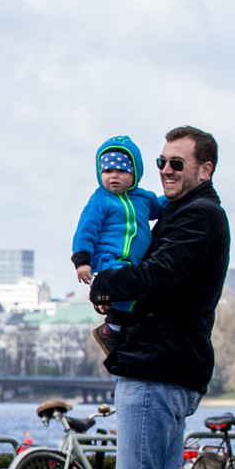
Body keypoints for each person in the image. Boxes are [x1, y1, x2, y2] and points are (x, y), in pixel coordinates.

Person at [90, 125, 230, 469]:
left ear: (204, 168)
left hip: (158, 365)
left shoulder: (200, 216)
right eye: (163, 162)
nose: (166, 171)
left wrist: (105, 283)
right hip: (171, 364)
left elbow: (159, 275)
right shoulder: (185, 213)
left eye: (177, 163)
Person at [71, 135, 164, 353]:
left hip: (132, 261)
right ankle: (112, 329)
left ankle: (116, 330)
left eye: (121, 171)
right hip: (108, 259)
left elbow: (159, 208)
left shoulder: (143, 198)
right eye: (107, 171)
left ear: (135, 173)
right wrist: (82, 260)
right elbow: (86, 230)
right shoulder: (100, 200)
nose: (114, 176)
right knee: (125, 290)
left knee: (132, 295)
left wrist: (176, 198)